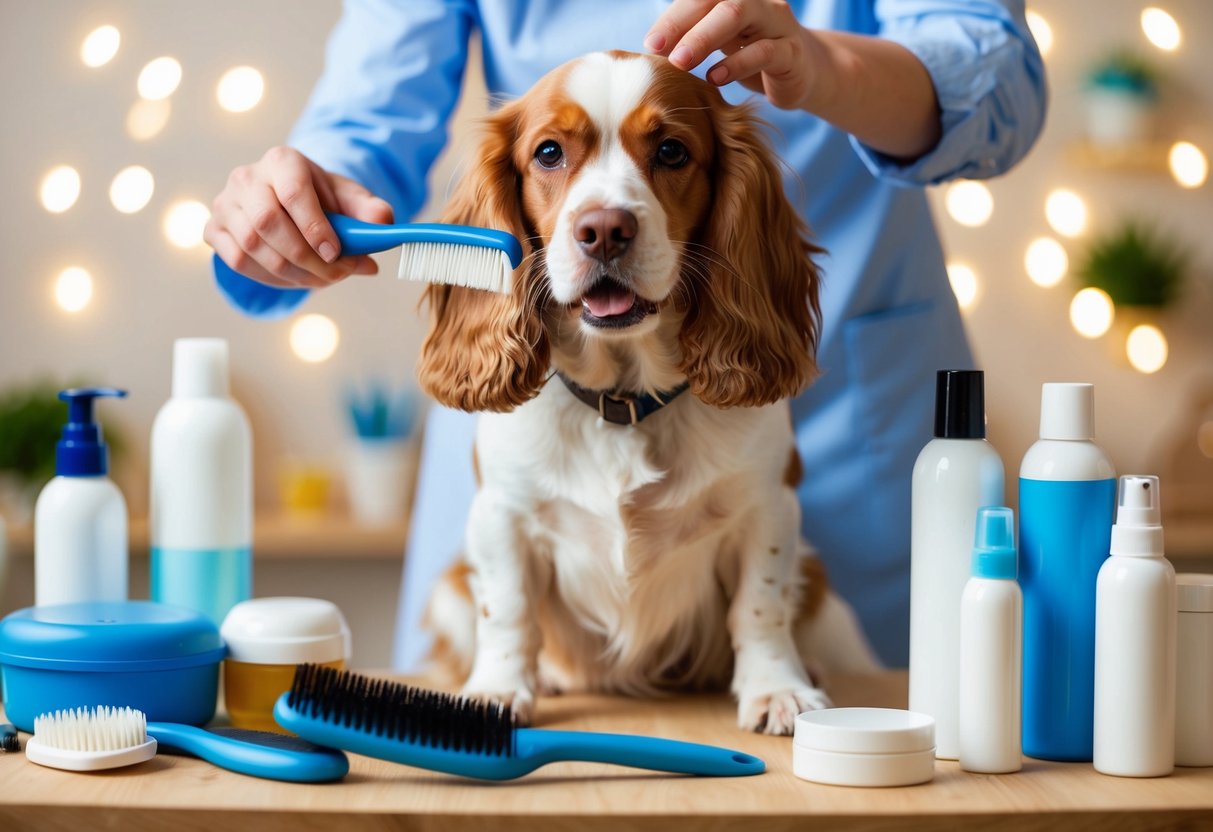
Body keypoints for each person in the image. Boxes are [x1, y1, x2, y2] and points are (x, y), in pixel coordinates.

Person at [205, 0, 1047, 668]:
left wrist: (823, 64)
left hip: (837, 418)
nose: (606, 214)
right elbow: (366, 113)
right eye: (553, 157)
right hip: (542, 425)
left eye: (667, 155)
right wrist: (302, 200)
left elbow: (996, 75)